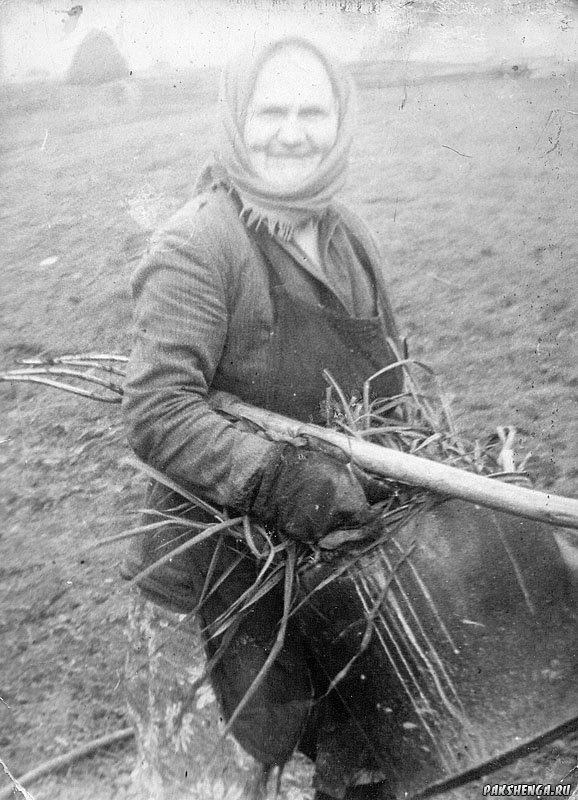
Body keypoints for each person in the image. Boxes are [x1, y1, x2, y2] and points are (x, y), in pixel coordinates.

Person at [122, 36, 404, 800]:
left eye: (313, 110)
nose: (292, 131)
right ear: (235, 121)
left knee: (365, 773)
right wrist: (279, 477)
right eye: (269, 110)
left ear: (340, 120)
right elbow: (157, 408)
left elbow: (389, 381)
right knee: (211, 787)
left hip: (331, 576)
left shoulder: (352, 238)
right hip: (215, 582)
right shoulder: (200, 242)